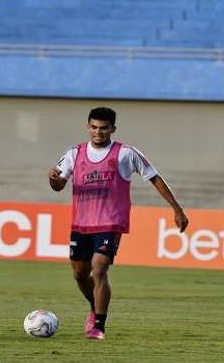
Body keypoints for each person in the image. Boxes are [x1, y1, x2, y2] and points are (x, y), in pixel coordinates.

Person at [48, 107, 189, 340]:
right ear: (87, 127)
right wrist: (52, 179)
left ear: (113, 129)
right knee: (79, 274)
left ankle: (98, 327)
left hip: (111, 222)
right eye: (94, 127)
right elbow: (59, 184)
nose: (98, 132)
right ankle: (95, 307)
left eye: (104, 128)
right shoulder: (74, 153)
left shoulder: (126, 153)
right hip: (81, 223)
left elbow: (154, 177)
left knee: (99, 268)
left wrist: (177, 209)